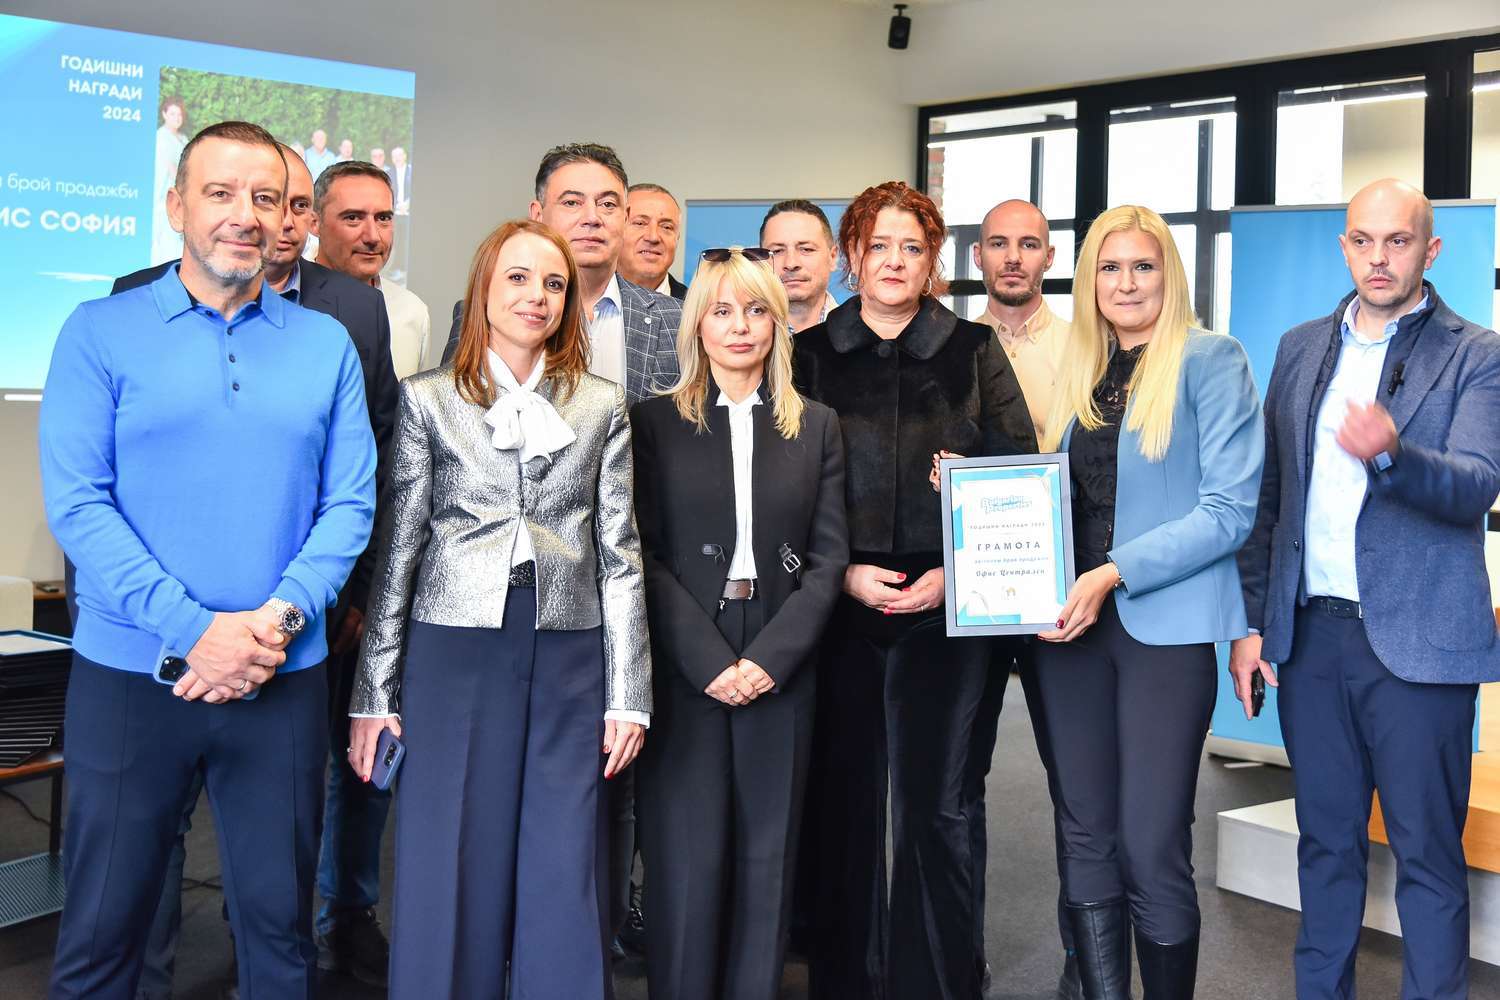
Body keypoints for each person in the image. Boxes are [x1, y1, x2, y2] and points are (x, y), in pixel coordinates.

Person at [39, 120, 377, 999]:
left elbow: (349, 505)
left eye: (266, 197)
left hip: (281, 675)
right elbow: (80, 505)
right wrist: (196, 631)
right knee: (104, 934)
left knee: (278, 937)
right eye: (221, 193)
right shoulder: (98, 331)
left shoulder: (325, 345)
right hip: (130, 679)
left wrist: (273, 625)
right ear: (175, 205)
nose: (245, 214)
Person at [347, 218, 651, 998]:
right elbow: (398, 557)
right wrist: (373, 696)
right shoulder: (428, 400)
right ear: (484, 286)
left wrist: (629, 696)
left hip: (571, 650)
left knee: (564, 860)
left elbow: (620, 556)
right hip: (452, 648)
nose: (536, 296)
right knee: (449, 852)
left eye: (553, 283)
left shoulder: (601, 405)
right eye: (518, 277)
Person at [1234, 178, 1500, 1000]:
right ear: (1345, 246)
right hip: (1312, 640)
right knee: (1325, 845)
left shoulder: (1477, 352)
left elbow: (1476, 485)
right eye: (1363, 240)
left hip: (1421, 647)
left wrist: (1391, 452)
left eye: (1397, 241)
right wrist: (1253, 624)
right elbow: (1270, 498)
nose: (1378, 258)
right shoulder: (1300, 347)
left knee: (1427, 856)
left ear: (1431, 249)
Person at [794, 180, 1035, 1000]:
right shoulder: (809, 354)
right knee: (846, 800)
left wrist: (953, 575)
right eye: (879, 246)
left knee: (941, 805)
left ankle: (940, 981)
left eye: (912, 247)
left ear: (933, 260)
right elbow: (783, 486)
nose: (894, 261)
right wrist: (840, 574)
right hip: (839, 605)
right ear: (851, 257)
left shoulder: (974, 350)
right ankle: (847, 979)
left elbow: (1017, 471)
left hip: (950, 608)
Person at [438, 144, 680, 951]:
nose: (593, 217)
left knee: (621, 765)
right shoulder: (489, 309)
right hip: (530, 594)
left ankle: (609, 920)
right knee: (531, 782)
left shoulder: (671, 321)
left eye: (609, 202)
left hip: (651, 573)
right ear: (538, 212)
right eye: (572, 201)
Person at [1031, 205, 1262, 999]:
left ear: (1170, 274)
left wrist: (1110, 573)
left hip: (1161, 630)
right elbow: (1062, 499)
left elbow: (1229, 511)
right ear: (1089, 280)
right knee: (1084, 834)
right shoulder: (1080, 374)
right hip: (1070, 635)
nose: (1126, 283)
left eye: (1143, 266)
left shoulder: (1211, 360)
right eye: (1109, 267)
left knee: (1151, 841)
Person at [632, 247, 849, 1000]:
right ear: (698, 323)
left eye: (757, 310)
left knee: (768, 858)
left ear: (777, 322)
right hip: (688, 654)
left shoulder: (816, 426)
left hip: (778, 658)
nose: (740, 326)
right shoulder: (653, 423)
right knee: (685, 860)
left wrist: (769, 661)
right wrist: (709, 661)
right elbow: (642, 555)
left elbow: (828, 559)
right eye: (722, 310)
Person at [963, 197, 1077, 997]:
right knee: (957, 783)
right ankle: (959, 954)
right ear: (978, 257)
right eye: (998, 244)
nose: (1013, 257)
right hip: (971, 589)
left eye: (1028, 244)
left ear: (1048, 256)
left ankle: (1085, 958)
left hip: (1060, 592)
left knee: (1074, 782)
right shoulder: (950, 348)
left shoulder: (1085, 345)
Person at [313, 160, 433, 378]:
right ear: (314, 223)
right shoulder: (285, 303)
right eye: (353, 218)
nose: (373, 236)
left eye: (383, 218)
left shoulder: (412, 312)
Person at [760, 200, 839, 333]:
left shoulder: (864, 333)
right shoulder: (740, 338)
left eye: (806, 249)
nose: (791, 264)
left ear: (832, 257)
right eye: (777, 251)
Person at [620, 182, 687, 299]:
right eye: (640, 223)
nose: (653, 237)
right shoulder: (586, 297)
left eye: (666, 227)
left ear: (677, 237)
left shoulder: (696, 307)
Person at [150, 96, 188, 265]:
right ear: (164, 114)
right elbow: (171, 167)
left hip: (180, 196)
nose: (176, 118)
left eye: (179, 114)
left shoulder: (183, 138)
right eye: (172, 114)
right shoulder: (161, 137)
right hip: (165, 196)